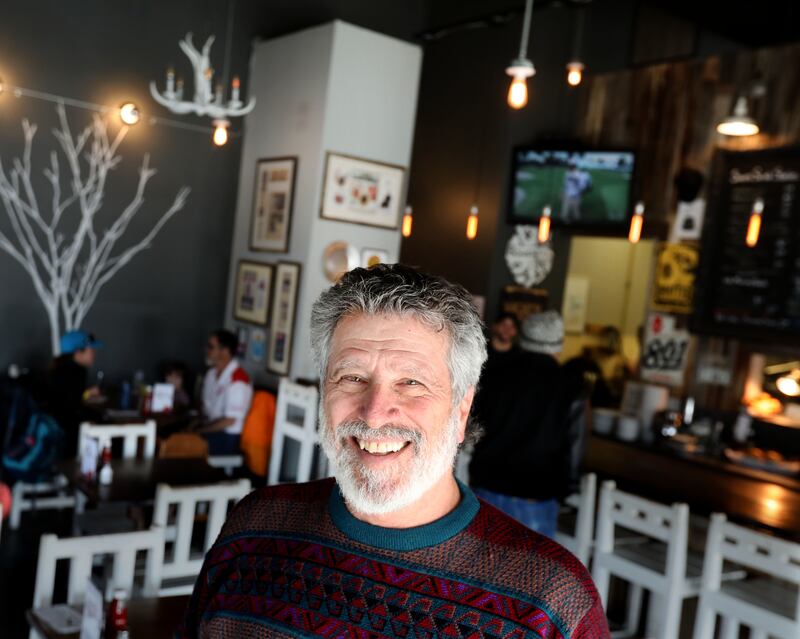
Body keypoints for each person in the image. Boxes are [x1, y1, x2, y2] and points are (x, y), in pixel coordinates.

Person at [180, 265, 608, 638]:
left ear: (461, 410)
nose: (374, 414)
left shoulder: (550, 602)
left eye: (412, 382)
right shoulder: (253, 528)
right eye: (351, 378)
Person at [470, 310, 589, 538]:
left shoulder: (494, 373)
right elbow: (575, 447)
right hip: (535, 494)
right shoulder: (572, 388)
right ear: (559, 346)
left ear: (522, 341)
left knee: (475, 569)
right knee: (530, 572)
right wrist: (566, 490)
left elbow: (475, 424)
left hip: (484, 488)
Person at [45, 330, 105, 458]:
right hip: (65, 440)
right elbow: (70, 410)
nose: (94, 354)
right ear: (78, 353)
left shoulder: (59, 368)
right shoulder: (75, 372)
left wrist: (86, 394)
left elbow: (67, 398)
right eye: (91, 350)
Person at [193, 330, 253, 455]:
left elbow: (229, 421)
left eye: (211, 347)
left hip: (227, 437)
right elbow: (205, 406)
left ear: (225, 351)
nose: (207, 350)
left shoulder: (238, 380)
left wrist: (200, 431)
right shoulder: (211, 374)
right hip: (210, 427)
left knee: (183, 447)